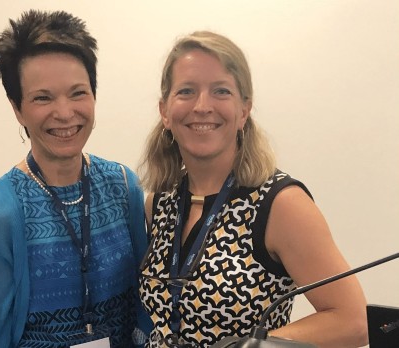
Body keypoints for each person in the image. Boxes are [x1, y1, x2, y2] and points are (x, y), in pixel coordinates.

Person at [138, 31, 368, 347]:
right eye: (187, 91)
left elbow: (353, 321)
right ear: (165, 110)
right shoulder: (158, 203)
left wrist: (252, 346)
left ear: (244, 110)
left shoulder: (282, 204)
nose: (202, 106)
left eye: (221, 91)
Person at [0, 10, 152, 348]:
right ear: (17, 108)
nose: (65, 112)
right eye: (43, 97)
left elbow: (146, 305)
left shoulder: (123, 187)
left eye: (78, 92)